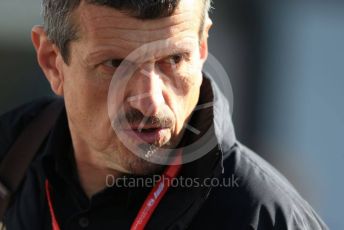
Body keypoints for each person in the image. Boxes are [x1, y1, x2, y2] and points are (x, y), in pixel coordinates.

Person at [0, 0, 328, 229]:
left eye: (173, 60)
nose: (151, 104)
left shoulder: (264, 217)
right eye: (114, 65)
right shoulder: (9, 156)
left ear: (202, 49)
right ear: (51, 61)